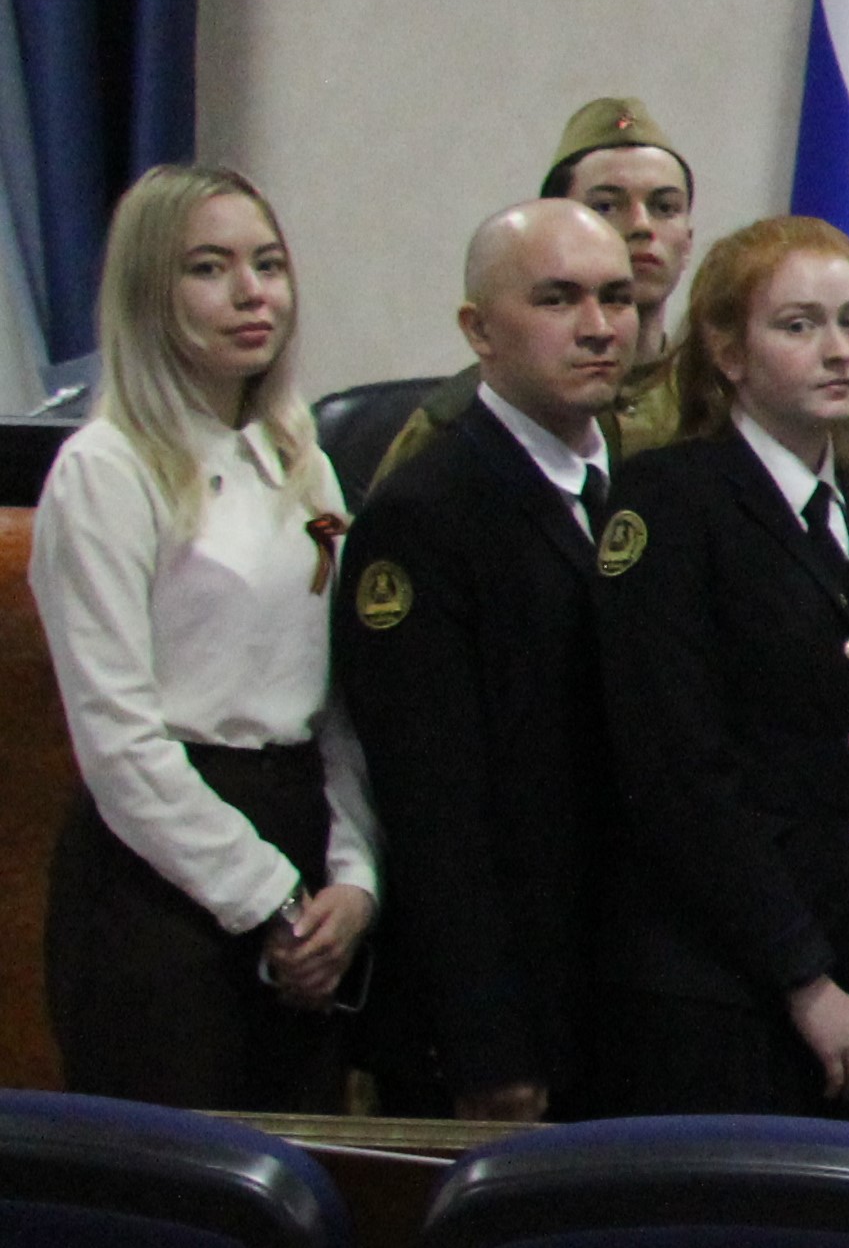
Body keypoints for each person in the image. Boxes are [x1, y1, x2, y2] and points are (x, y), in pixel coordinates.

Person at [30, 165, 382, 1110]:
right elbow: (119, 740)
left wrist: (354, 877)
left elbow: (337, 696)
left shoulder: (300, 459)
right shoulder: (106, 471)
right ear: (151, 291)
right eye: (210, 267)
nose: (251, 292)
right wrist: (267, 896)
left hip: (299, 831)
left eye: (268, 263)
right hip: (162, 870)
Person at [592, 214, 849, 1117]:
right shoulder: (673, 502)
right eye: (799, 325)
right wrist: (801, 974)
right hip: (722, 984)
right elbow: (679, 769)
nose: (838, 350)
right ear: (728, 351)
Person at [334, 200, 635, 1122]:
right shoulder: (426, 513)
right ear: (478, 330)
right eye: (558, 299)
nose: (598, 326)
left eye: (617, 297)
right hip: (503, 1020)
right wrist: (486, 1039)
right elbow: (434, 806)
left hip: (621, 994)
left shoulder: (640, 487)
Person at [370, 97, 705, 484]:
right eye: (606, 206)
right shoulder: (461, 418)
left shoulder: (714, 405)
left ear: (688, 242)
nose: (642, 226)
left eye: (665, 207)